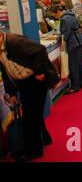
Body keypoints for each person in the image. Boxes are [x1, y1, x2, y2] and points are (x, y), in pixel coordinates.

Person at [0, 32, 59, 161]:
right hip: (24, 84)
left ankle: (35, 150)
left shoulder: (13, 42)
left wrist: (38, 72)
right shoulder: (1, 49)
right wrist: (12, 93)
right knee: (33, 114)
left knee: (31, 117)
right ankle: (45, 138)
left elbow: (40, 50)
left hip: (34, 81)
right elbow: (5, 72)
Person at [47, 5, 82, 94]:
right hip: (79, 40)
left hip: (74, 43)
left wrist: (56, 37)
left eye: (54, 14)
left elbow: (65, 34)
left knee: (73, 65)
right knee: (79, 64)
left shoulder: (64, 19)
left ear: (57, 11)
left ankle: (75, 87)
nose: (54, 17)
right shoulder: (70, 15)